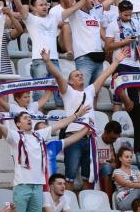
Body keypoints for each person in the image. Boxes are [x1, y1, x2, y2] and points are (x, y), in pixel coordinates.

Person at [0, 102, 90, 212]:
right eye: (25, 118)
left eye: (30, 117)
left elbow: (60, 124)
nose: (29, 119)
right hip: (22, 185)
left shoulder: (40, 135)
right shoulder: (15, 136)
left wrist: (78, 115)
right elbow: (0, 127)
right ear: (18, 124)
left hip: (38, 186)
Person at [43, 47, 127, 189]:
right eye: (76, 75)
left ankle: (87, 207)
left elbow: (105, 75)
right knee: (70, 175)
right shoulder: (67, 91)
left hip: (89, 139)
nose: (80, 76)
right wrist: (48, 62)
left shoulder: (89, 90)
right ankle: (67, 205)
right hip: (73, 137)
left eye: (81, 74)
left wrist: (116, 62)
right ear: (69, 82)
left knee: (89, 176)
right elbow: (57, 76)